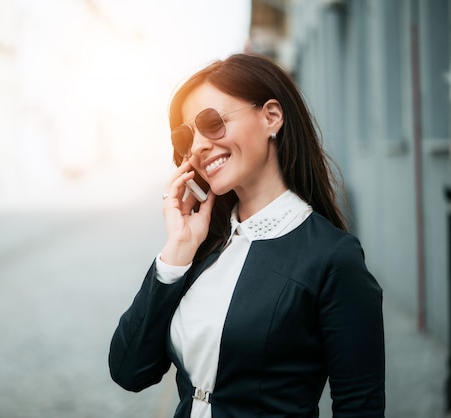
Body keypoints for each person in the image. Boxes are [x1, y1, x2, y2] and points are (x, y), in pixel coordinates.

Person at [108, 53, 384, 417]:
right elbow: (131, 370)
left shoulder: (333, 257)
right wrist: (177, 251)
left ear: (271, 116)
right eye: (186, 136)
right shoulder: (203, 247)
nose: (197, 146)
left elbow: (359, 407)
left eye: (212, 122)